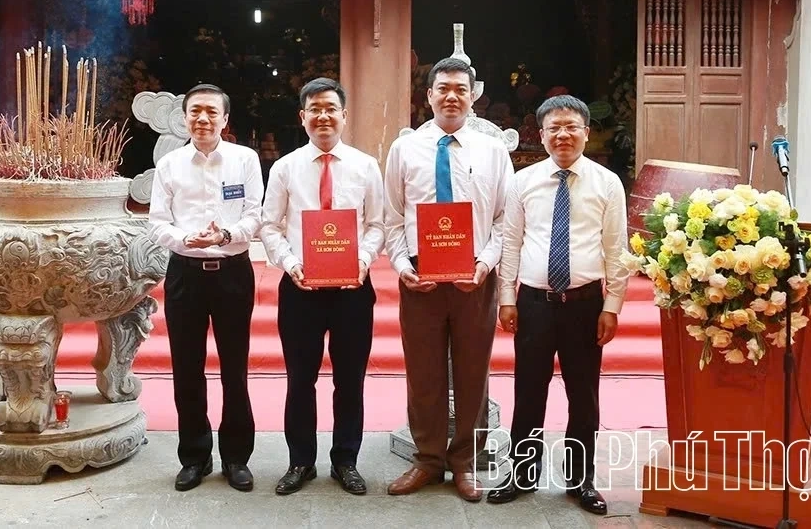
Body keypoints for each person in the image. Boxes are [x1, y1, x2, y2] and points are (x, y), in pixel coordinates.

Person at [487, 94, 629, 516]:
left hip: (585, 303)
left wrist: (613, 305)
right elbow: (511, 242)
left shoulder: (607, 183)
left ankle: (580, 479)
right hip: (533, 302)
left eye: (571, 127)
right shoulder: (523, 181)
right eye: (554, 128)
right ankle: (523, 473)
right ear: (542, 134)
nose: (563, 135)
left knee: (583, 394)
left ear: (586, 131)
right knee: (528, 389)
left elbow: (616, 248)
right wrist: (507, 297)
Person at [383, 57, 513, 502]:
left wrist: (485, 264)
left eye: (461, 88)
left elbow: (503, 219)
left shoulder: (493, 152)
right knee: (423, 374)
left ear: (473, 95)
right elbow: (393, 219)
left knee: (473, 372)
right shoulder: (405, 150)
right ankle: (428, 460)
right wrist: (403, 267)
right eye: (443, 88)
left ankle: (464, 463)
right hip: (420, 277)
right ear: (429, 95)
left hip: (474, 279)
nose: (451, 95)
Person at [260, 77, 385, 496]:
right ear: (303, 117)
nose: (323, 116)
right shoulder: (285, 167)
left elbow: (377, 225)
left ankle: (346, 460)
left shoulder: (367, 166)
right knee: (300, 379)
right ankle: (300, 462)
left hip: (352, 290)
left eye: (331, 108)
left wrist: (364, 260)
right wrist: (290, 263)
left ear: (344, 116)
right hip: (300, 290)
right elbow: (270, 225)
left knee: (350, 380)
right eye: (315, 109)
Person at [148, 84, 264, 493]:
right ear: (185, 118)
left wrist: (227, 233)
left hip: (232, 272)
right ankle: (195, 456)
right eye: (195, 111)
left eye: (212, 112)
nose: (203, 119)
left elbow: (255, 215)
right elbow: (157, 221)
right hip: (186, 274)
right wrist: (185, 241)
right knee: (187, 369)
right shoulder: (170, 164)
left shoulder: (245, 160)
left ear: (225, 119)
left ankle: (236, 457)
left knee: (235, 368)